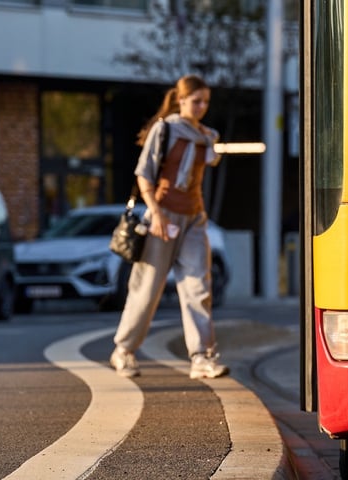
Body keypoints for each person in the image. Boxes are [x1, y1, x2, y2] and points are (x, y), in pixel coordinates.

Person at [110, 74, 229, 380]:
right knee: (146, 289)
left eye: (206, 102)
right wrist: (157, 213)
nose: (202, 107)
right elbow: (143, 174)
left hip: (194, 219)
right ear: (181, 99)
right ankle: (123, 351)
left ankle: (202, 357)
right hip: (161, 218)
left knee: (198, 289)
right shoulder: (165, 129)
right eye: (196, 101)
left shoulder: (206, 136)